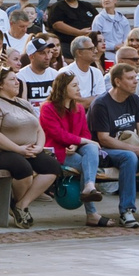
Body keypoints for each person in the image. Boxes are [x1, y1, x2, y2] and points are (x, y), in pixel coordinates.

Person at [0, 68, 60, 229]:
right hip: (0, 152)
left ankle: (21, 205)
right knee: (23, 168)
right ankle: (19, 209)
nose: (18, 82)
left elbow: (39, 129)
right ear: (0, 84)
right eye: (12, 79)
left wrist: (38, 147)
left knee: (53, 167)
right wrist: (18, 149)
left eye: (17, 79)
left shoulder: (23, 103)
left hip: (28, 150)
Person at [86, 63, 139, 228]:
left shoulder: (135, 100)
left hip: (129, 145)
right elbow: (104, 139)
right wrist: (135, 149)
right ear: (118, 81)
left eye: (136, 77)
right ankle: (126, 210)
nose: (135, 81)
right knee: (129, 157)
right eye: (130, 78)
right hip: (104, 152)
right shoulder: (101, 104)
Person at [38, 71, 103, 224]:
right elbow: (58, 135)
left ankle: (89, 186)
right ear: (63, 88)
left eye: (78, 85)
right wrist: (79, 142)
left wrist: (76, 143)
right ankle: (92, 213)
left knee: (91, 149)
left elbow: (85, 133)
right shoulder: (47, 108)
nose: (78, 89)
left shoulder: (79, 108)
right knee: (88, 164)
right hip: (57, 151)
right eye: (74, 85)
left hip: (74, 148)